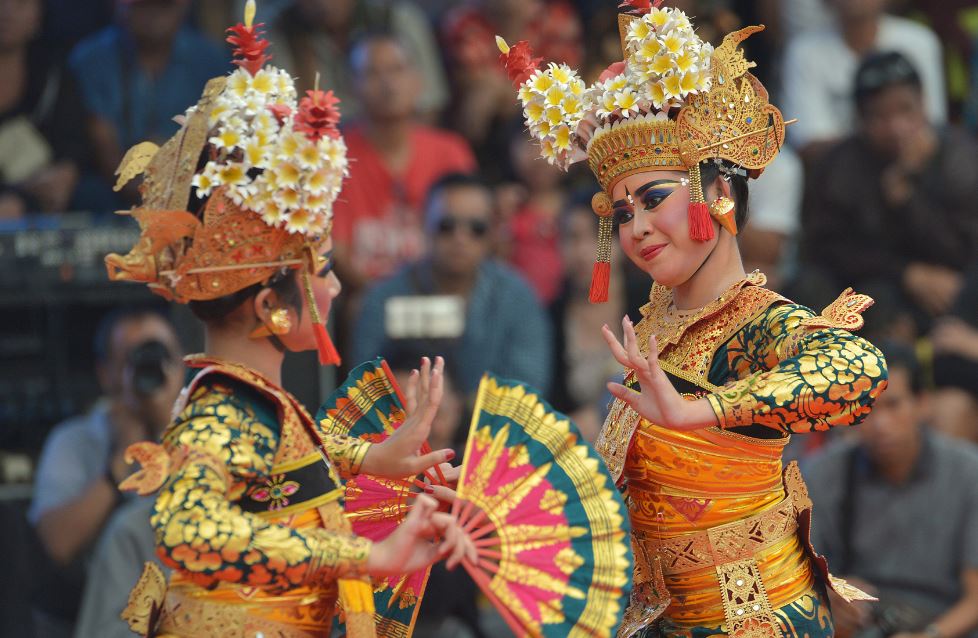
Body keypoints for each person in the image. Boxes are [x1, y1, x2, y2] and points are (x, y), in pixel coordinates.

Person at [501, 4, 888, 636]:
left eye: (654, 200)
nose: (638, 227)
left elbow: (857, 369)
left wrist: (694, 412)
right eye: (620, 214)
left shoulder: (756, 322)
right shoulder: (653, 324)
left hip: (753, 618)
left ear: (718, 194)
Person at [103, 7, 474, 635]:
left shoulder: (251, 398)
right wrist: (368, 554)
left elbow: (281, 460)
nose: (333, 286)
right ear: (272, 305)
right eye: (319, 270)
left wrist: (373, 457)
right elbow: (187, 526)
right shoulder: (224, 408)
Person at [804, 341, 978, 638]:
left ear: (923, 403)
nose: (880, 423)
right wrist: (831, 592)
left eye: (893, 405)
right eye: (866, 409)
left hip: (943, 624)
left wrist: (929, 635)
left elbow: (975, 598)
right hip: (860, 623)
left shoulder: (967, 471)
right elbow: (798, 579)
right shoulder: (822, 473)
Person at [28, 307, 184, 637]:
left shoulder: (202, 436)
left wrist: (170, 429)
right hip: (94, 612)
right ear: (107, 372)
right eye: (136, 357)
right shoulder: (74, 440)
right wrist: (119, 465)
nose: (151, 367)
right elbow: (55, 544)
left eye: (160, 354)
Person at [800, 52, 978, 332]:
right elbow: (825, 249)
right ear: (860, 118)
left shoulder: (960, 158)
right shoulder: (839, 165)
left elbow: (962, 250)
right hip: (870, 291)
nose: (896, 128)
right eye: (881, 116)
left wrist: (908, 199)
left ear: (924, 105)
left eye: (906, 110)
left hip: (949, 289)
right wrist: (906, 274)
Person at [352, 172, 553, 400]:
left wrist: (457, 411)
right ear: (423, 224)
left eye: (476, 228)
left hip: (493, 433)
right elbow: (365, 388)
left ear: (492, 232)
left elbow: (528, 390)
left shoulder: (517, 298)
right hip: (405, 428)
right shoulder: (384, 298)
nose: (461, 238)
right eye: (446, 226)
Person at [332, 32, 476, 291]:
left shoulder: (451, 152)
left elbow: (470, 240)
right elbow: (337, 253)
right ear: (352, 88)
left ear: (418, 81)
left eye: (397, 69)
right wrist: (384, 300)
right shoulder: (334, 155)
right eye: (373, 73)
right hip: (365, 299)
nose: (388, 84)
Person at [68, 0, 228, 207]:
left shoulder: (209, 59)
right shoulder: (90, 59)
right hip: (115, 186)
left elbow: (218, 136)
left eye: (164, 6)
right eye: (142, 5)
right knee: (91, 194)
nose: (154, 16)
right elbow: (102, 142)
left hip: (190, 181)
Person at [782, 0, 945, 158]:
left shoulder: (920, 41)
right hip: (841, 174)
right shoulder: (804, 52)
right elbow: (808, 143)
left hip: (916, 165)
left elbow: (933, 127)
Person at [268, 0, 449, 120]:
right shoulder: (281, 33)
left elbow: (429, 105)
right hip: (321, 154)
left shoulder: (396, 18)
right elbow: (286, 115)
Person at [0, 0, 90, 217]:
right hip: (11, 199)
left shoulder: (54, 73)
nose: (6, 13)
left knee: (92, 195)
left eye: (20, 5)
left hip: (36, 195)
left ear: (38, 16)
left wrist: (66, 172)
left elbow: (73, 142)